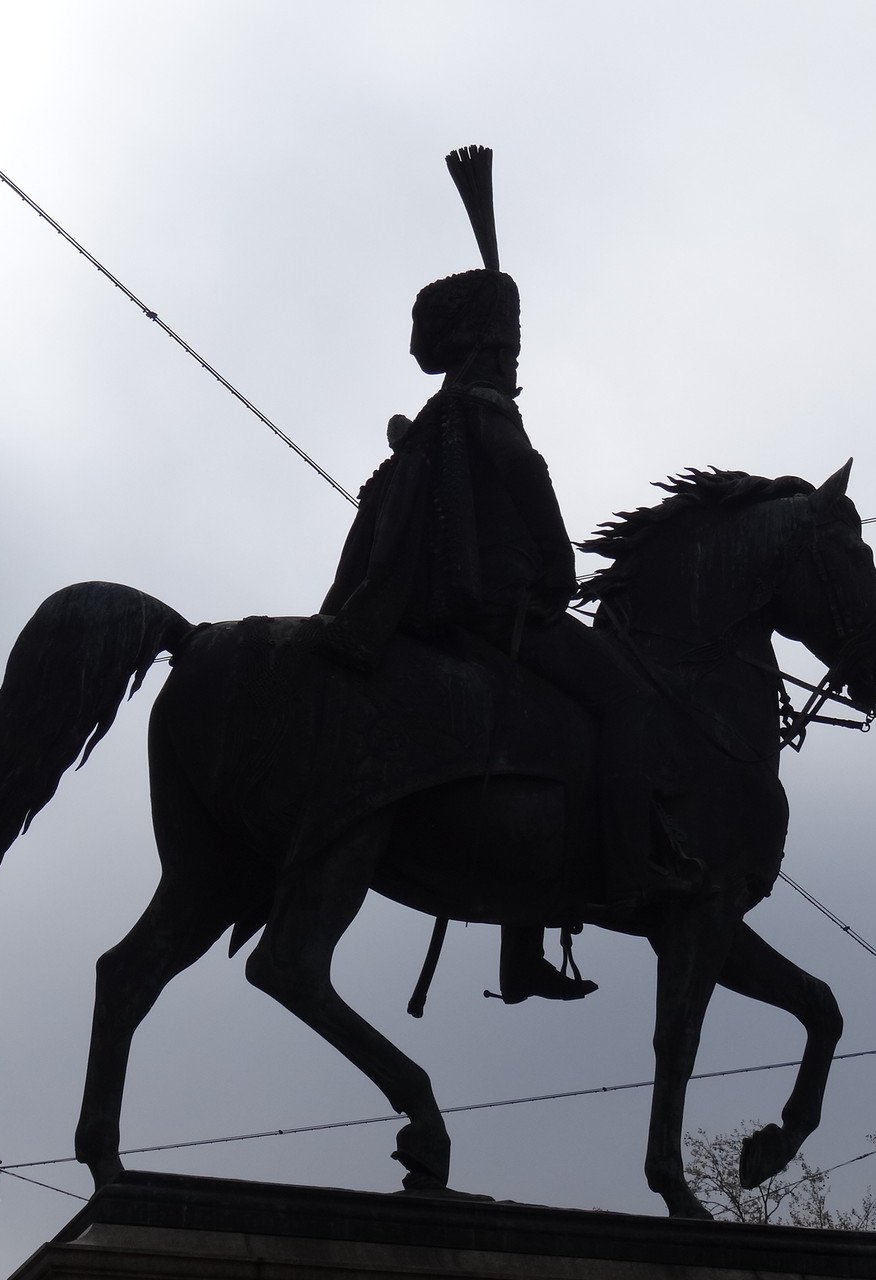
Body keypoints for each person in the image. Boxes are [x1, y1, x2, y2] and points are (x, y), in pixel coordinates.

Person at [301, 151, 695, 1002]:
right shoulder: (486, 415)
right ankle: (630, 872)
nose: (520, 359)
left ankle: (522, 954)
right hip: (498, 614)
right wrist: (556, 570)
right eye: (511, 343)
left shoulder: (441, 420)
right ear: (487, 344)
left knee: (546, 733)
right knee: (625, 702)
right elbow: (533, 498)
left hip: (458, 617)